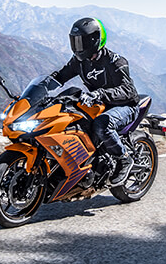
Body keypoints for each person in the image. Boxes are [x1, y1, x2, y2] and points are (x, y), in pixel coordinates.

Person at [49, 17, 138, 187]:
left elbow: (129, 91)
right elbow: (61, 76)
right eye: (75, 41)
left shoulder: (115, 61)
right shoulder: (80, 62)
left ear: (95, 40)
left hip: (125, 105)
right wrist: (44, 85)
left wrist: (100, 94)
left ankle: (124, 159)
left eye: (81, 42)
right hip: (99, 103)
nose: (77, 47)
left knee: (101, 125)